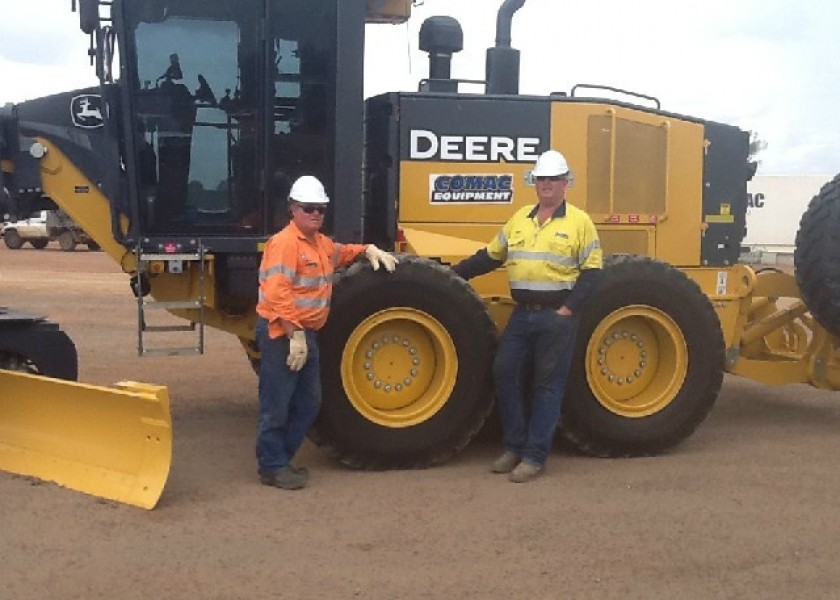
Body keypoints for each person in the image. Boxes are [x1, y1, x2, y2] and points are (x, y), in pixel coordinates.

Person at [453, 150, 602, 483]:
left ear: (566, 183)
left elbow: (592, 273)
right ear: (535, 183)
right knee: (504, 373)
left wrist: (568, 310)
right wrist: (451, 275)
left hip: (557, 317)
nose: (547, 185)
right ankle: (514, 447)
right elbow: (490, 257)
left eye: (553, 179)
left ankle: (534, 457)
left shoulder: (580, 222)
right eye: (542, 179)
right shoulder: (520, 218)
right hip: (523, 315)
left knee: (547, 387)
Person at [255, 175, 398, 489]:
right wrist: (293, 335)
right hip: (283, 334)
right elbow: (277, 293)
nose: (316, 213)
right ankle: (272, 466)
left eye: (320, 208)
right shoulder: (284, 244)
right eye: (309, 208)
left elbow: (341, 253)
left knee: (309, 402)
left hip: (307, 335)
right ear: (293, 208)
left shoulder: (321, 244)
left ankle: (282, 459)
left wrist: (367, 250)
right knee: (276, 404)